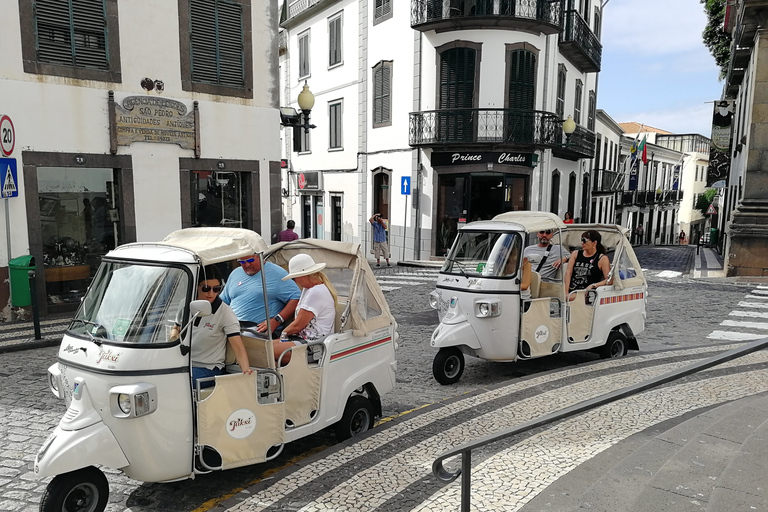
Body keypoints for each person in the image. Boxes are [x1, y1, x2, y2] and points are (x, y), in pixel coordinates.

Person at [183, 266, 252, 388]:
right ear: (196, 287)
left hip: (208, 368)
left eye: (216, 289)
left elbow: (238, 348)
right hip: (184, 363)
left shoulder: (225, 312)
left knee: (179, 383)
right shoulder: (185, 303)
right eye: (206, 288)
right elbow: (176, 328)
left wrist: (246, 372)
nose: (211, 294)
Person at [273, 254, 338, 364]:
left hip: (313, 346)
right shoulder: (311, 289)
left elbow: (298, 325)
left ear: (303, 276)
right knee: (264, 348)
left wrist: (283, 333)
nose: (295, 281)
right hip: (306, 341)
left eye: (294, 278)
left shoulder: (315, 292)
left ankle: (279, 378)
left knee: (265, 352)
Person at [219, 254, 301, 335]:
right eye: (242, 261)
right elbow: (223, 301)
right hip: (232, 325)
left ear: (260, 256)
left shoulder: (277, 273)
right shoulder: (235, 273)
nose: (246, 264)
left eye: (250, 260)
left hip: (258, 328)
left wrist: (277, 320)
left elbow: (297, 297)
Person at [565, 229, 611, 299]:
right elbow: (568, 273)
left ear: (594, 243)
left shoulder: (602, 259)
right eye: (581, 240)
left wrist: (593, 285)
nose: (582, 243)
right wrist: (566, 292)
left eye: (584, 241)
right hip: (572, 290)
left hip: (588, 293)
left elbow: (609, 280)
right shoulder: (575, 254)